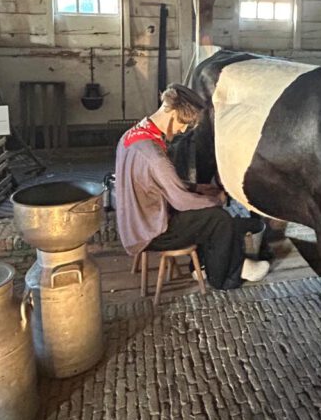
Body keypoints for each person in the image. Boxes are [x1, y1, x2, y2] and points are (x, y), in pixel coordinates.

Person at [114, 83, 270, 290]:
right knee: (218, 217)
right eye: (184, 123)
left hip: (133, 224)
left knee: (204, 209)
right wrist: (216, 199)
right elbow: (181, 201)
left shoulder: (131, 136)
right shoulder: (155, 156)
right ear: (173, 114)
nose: (183, 130)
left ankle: (202, 266)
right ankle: (227, 276)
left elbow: (156, 181)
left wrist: (198, 188)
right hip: (152, 232)